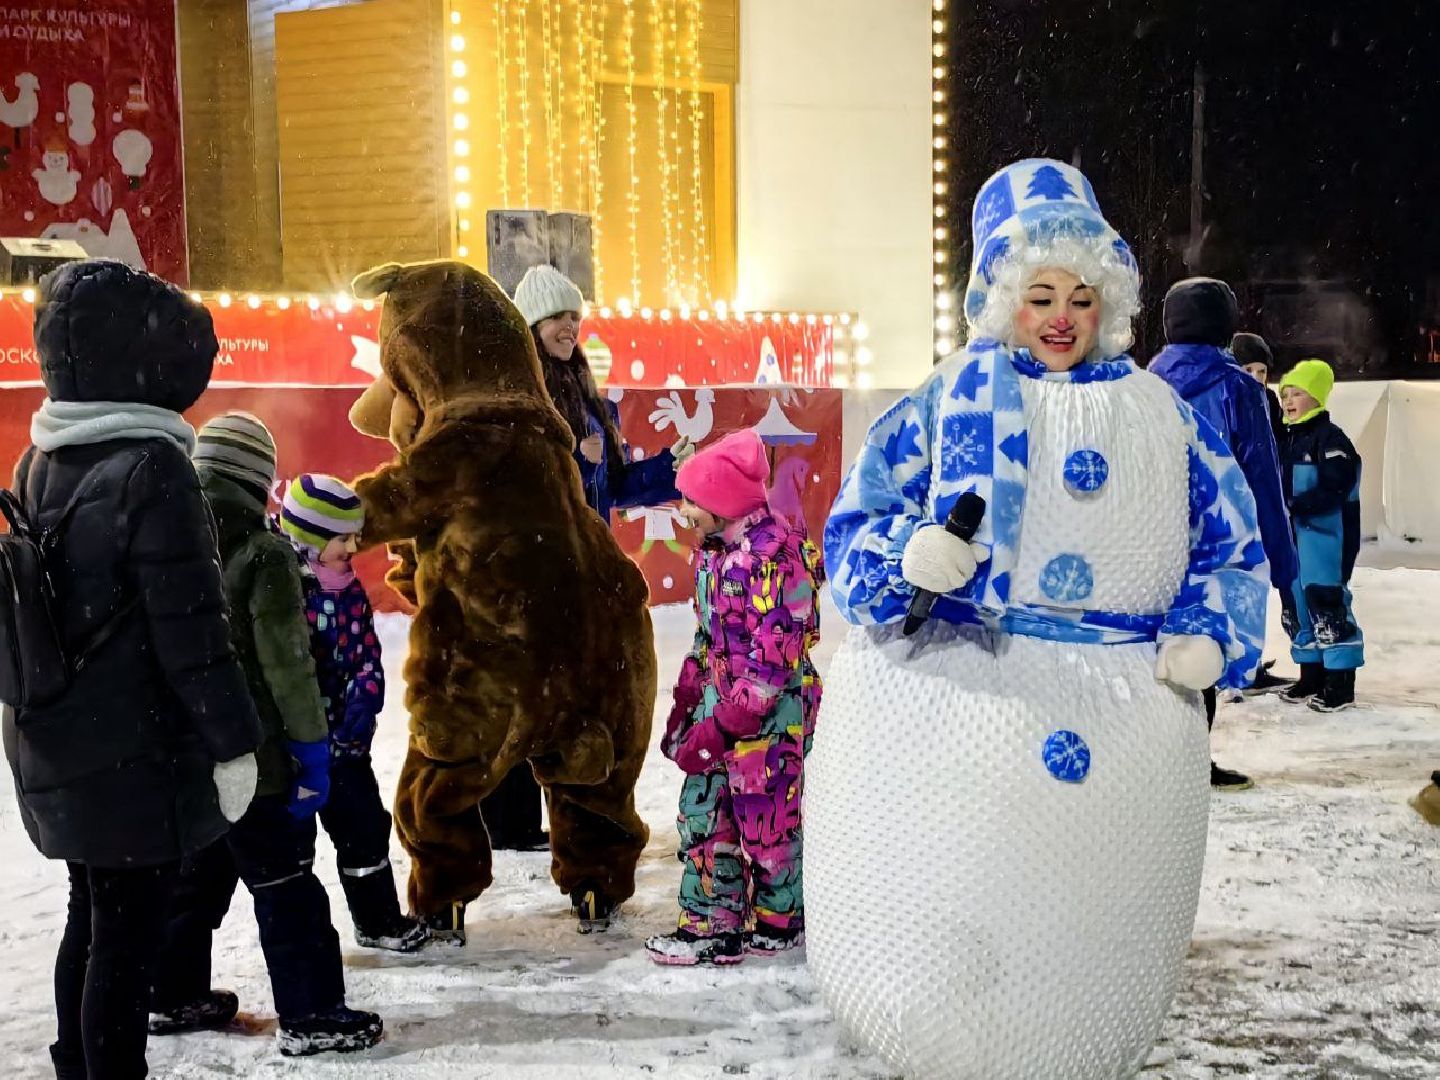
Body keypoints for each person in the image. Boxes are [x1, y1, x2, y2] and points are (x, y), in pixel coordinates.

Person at [806, 159, 1269, 1078]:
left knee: (1088, 905)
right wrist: (905, 557)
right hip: (960, 693)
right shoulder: (949, 397)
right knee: (962, 890)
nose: (1062, 317)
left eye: (1082, 298)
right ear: (1003, 300)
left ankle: (1078, 1043)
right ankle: (945, 1038)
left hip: (1127, 710)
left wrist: (1211, 627)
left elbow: (1231, 535)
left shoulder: (1162, 414)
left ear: (1110, 306)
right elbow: (857, 518)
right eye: (1041, 295)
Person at [3, 259, 263, 1080]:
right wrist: (234, 744)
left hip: (58, 735)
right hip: (132, 755)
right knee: (123, 938)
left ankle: (77, 1065)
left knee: (91, 916)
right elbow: (193, 632)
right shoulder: (154, 468)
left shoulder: (41, 460)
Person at [149, 414, 382, 1057]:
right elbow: (288, 666)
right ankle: (312, 1014)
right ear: (258, 480)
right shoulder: (264, 553)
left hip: (191, 749)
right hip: (258, 755)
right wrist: (311, 750)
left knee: (198, 876)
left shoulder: (164, 540)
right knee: (287, 884)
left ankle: (170, 993)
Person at [476, 264, 688, 852]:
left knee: (573, 696)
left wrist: (670, 467)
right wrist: (575, 456)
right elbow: (514, 483)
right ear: (531, 326)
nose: (569, 327)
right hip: (532, 571)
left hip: (582, 571)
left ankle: (574, 815)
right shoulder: (515, 400)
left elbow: (616, 486)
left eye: (575, 317)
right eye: (557, 318)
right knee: (524, 693)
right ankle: (508, 820)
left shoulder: (593, 403)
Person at [644, 429, 822, 966]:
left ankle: (780, 920)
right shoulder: (713, 554)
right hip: (719, 706)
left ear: (723, 501)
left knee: (768, 825)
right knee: (702, 812)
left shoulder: (779, 558)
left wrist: (725, 726)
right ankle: (710, 923)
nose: (684, 511)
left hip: (771, 722)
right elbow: (709, 636)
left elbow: (774, 662)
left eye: (692, 501)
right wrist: (687, 697)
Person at [1150, 278, 1299, 790]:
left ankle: (1156, 759)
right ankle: (1192, 761)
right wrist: (1281, 559)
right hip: (1219, 542)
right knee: (1205, 647)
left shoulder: (1146, 383)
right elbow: (1261, 475)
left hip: (1151, 539)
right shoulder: (1239, 388)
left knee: (1157, 649)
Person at [279, 474, 429, 952]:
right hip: (300, 755)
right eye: (341, 538)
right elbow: (287, 671)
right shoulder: (286, 592)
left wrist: (366, 691)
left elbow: (365, 650)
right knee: (292, 849)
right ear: (309, 538)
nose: (352, 547)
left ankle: (377, 920)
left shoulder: (347, 589)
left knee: (364, 830)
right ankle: (301, 942)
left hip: (348, 748)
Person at [1274, 360, 1363, 712]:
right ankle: (1310, 674)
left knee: (1325, 602)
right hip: (1293, 538)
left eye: (1297, 393)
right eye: (1285, 394)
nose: (1288, 401)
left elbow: (1338, 484)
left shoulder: (1331, 439)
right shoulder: (1286, 438)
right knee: (1296, 603)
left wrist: (1299, 505)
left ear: (1317, 397)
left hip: (1326, 538)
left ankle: (1340, 681)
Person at [1233, 331, 1286, 444]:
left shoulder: (1270, 400)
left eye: (1262, 371)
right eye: (1248, 370)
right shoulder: (1225, 399)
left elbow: (1279, 438)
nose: (1256, 377)